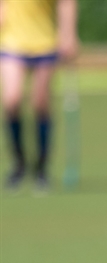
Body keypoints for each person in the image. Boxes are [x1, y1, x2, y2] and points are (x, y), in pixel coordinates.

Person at [0, 0, 77, 190]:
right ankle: (19, 163)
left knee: (40, 104)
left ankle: (42, 168)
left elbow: (66, 3)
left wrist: (68, 35)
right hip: (11, 42)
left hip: (45, 42)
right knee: (12, 100)